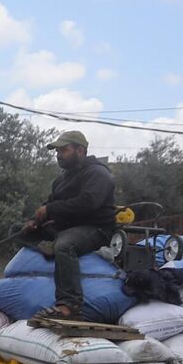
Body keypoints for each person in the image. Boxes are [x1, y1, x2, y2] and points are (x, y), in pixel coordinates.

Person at [22, 130, 117, 321]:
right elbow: (50, 203)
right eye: (57, 151)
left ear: (80, 150)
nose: (58, 155)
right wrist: (35, 220)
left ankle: (69, 306)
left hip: (95, 229)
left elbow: (88, 203)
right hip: (66, 228)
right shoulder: (62, 179)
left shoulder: (98, 173)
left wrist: (50, 209)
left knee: (65, 246)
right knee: (18, 231)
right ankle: (50, 248)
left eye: (63, 150)